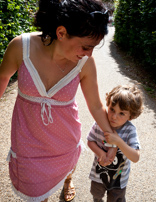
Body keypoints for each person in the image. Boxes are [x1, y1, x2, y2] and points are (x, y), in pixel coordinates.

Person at [0, 0, 117, 201]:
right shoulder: (21, 47)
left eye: (93, 48)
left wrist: (112, 140)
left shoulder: (85, 63)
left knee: (67, 166)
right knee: (37, 194)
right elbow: (1, 80)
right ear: (61, 33)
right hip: (27, 142)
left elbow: (96, 106)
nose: (89, 54)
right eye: (86, 46)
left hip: (65, 139)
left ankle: (67, 180)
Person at [87, 84, 143, 202]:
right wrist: (101, 153)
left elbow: (135, 157)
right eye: (112, 109)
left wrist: (118, 141)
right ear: (107, 104)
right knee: (96, 195)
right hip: (98, 176)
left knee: (116, 199)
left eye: (121, 113)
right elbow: (90, 141)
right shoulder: (99, 124)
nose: (114, 116)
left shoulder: (130, 131)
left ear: (131, 116)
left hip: (119, 179)